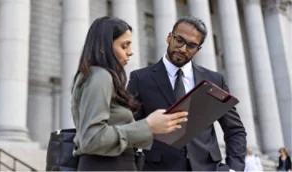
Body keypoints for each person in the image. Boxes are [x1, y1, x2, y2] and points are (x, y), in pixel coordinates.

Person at [127, 15, 247, 171]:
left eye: (191, 45)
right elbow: (129, 128)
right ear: (169, 37)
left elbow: (235, 130)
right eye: (179, 40)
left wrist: (234, 169)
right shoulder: (140, 79)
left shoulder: (214, 80)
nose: (182, 49)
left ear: (198, 49)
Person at [71, 16, 188, 171]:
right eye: (124, 46)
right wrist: (148, 125)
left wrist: (157, 127)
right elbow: (92, 138)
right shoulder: (100, 76)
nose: (131, 52)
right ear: (102, 47)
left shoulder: (95, 76)